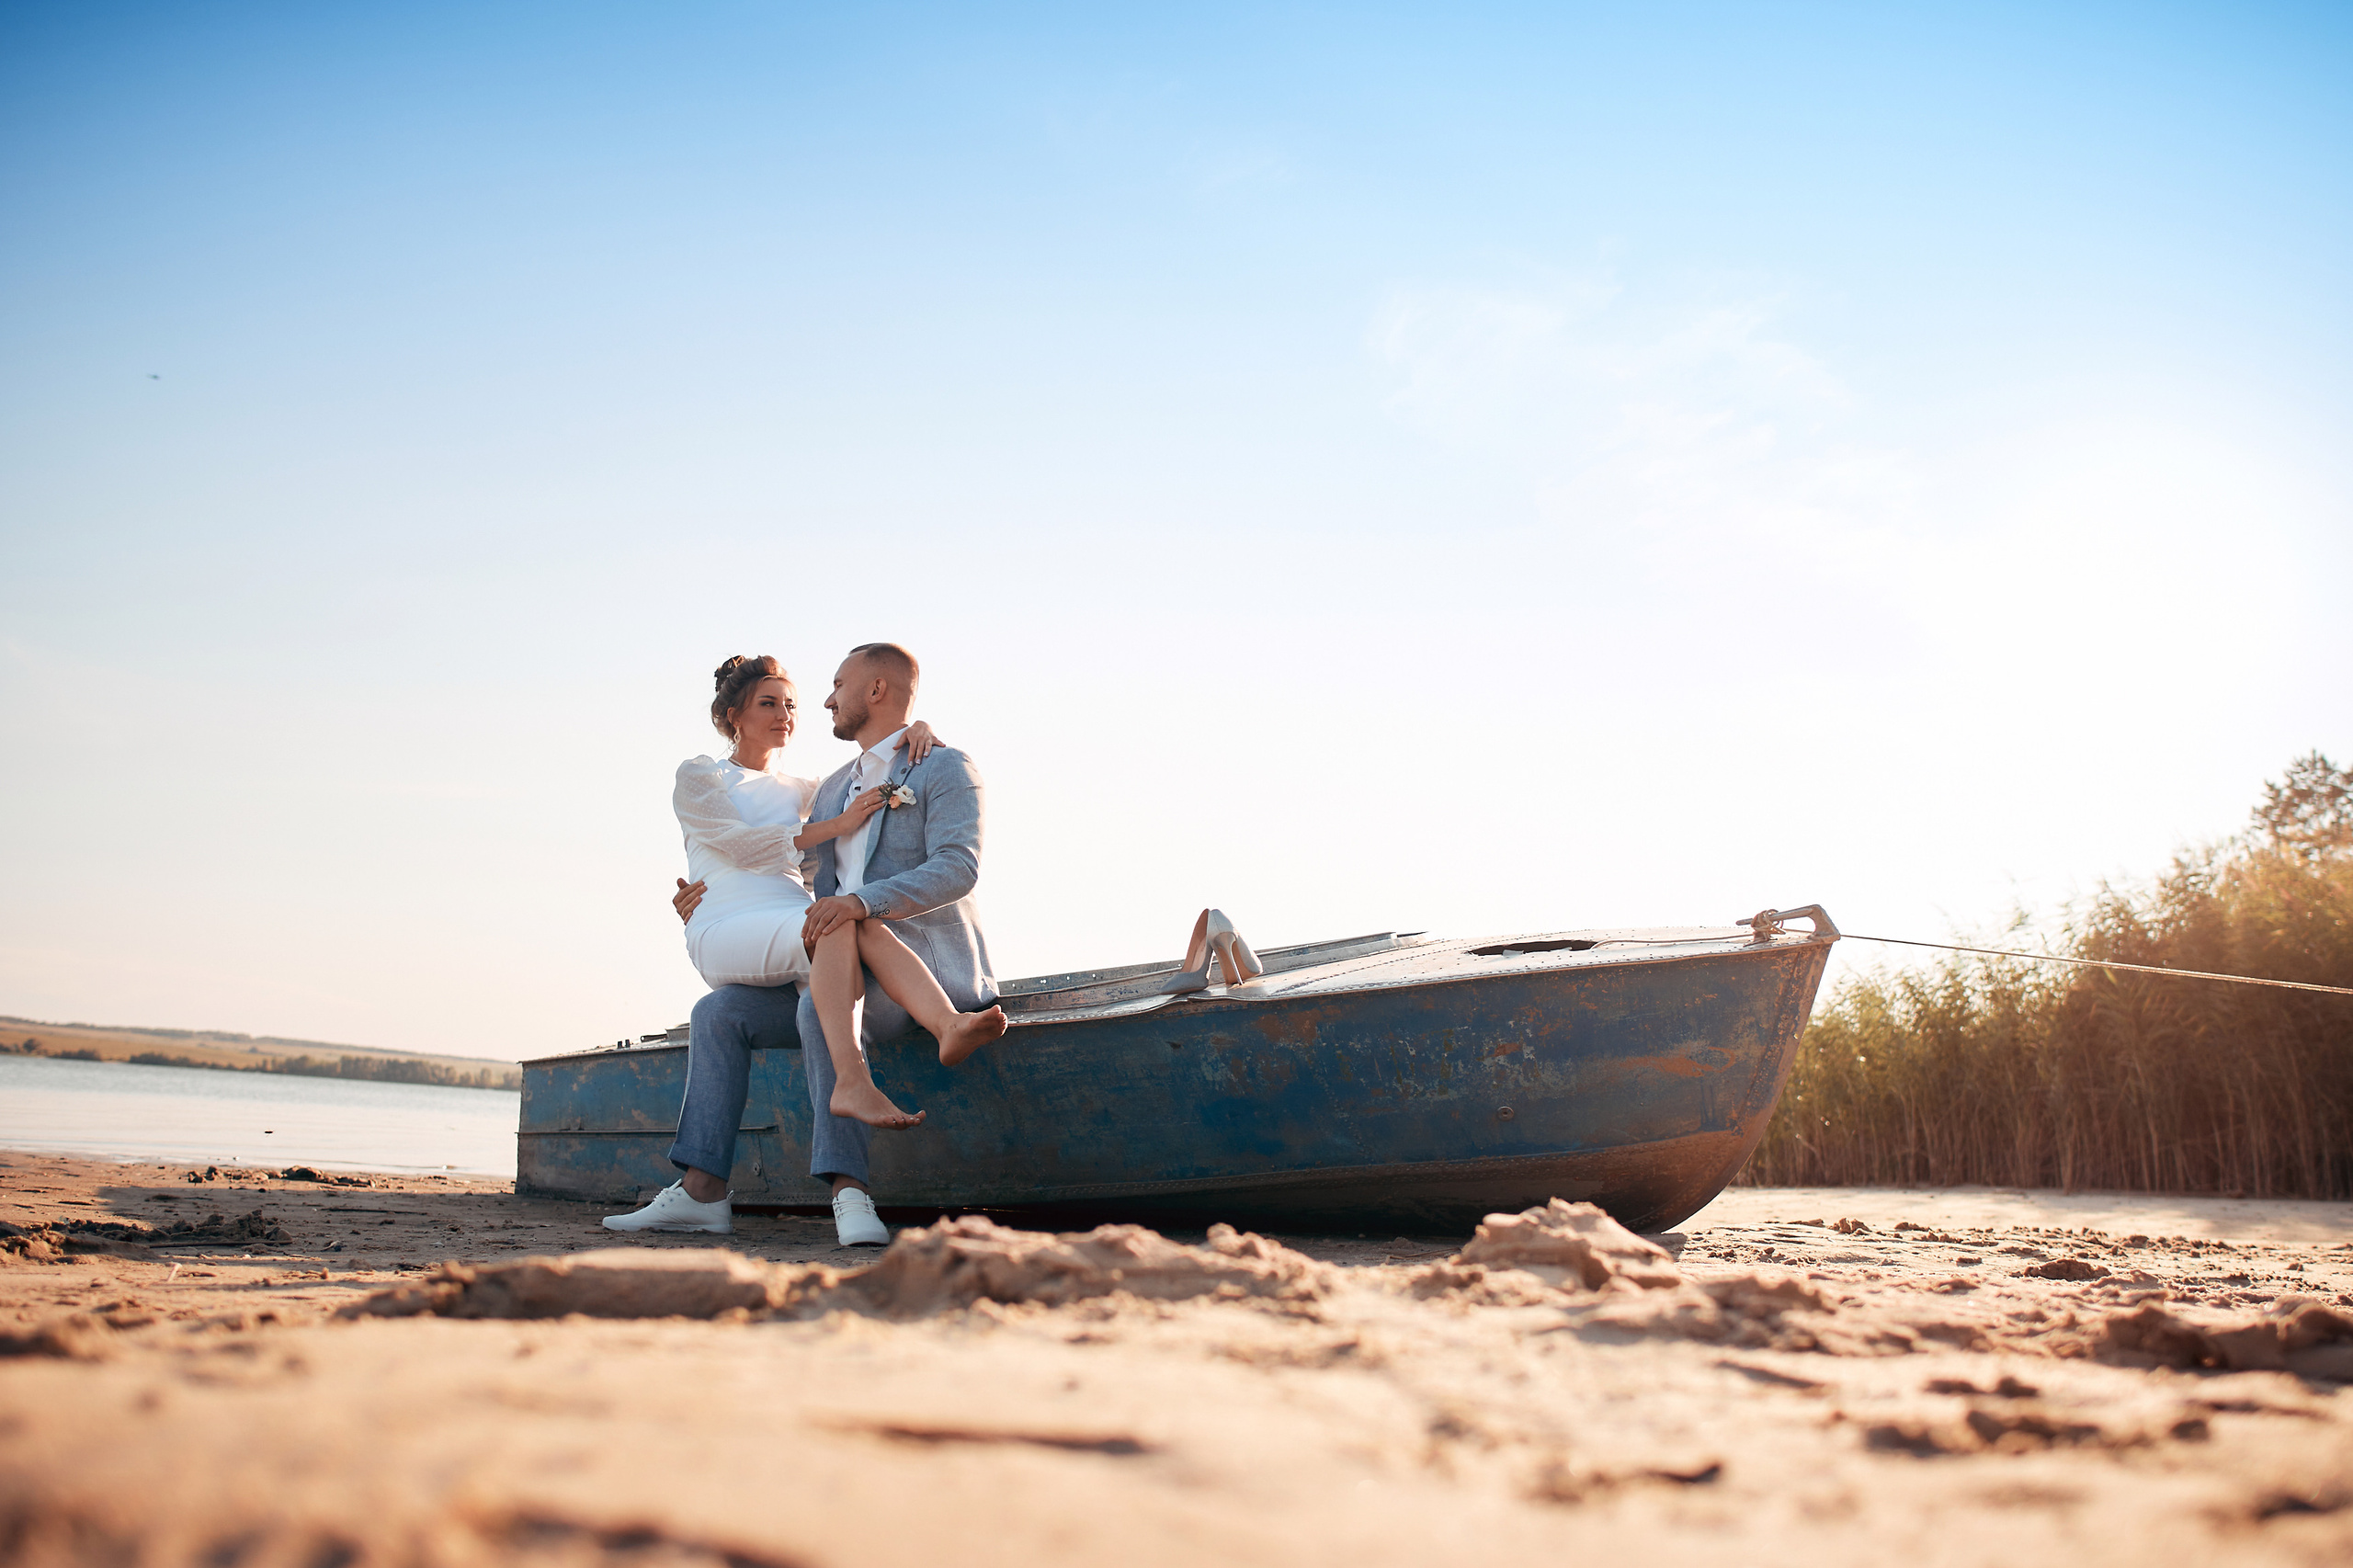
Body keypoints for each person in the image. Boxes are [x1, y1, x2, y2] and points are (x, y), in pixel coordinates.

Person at [605, 644, 1005, 1247]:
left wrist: (913, 732)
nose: (818, 703)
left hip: (915, 966)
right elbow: (782, 860)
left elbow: (958, 869)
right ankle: (702, 1190)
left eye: (833, 686)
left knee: (815, 997)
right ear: (735, 712)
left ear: (872, 691)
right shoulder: (831, 790)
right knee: (718, 1011)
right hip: (833, 951)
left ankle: (850, 1193)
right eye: (777, 702)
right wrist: (706, 894)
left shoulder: (940, 767)